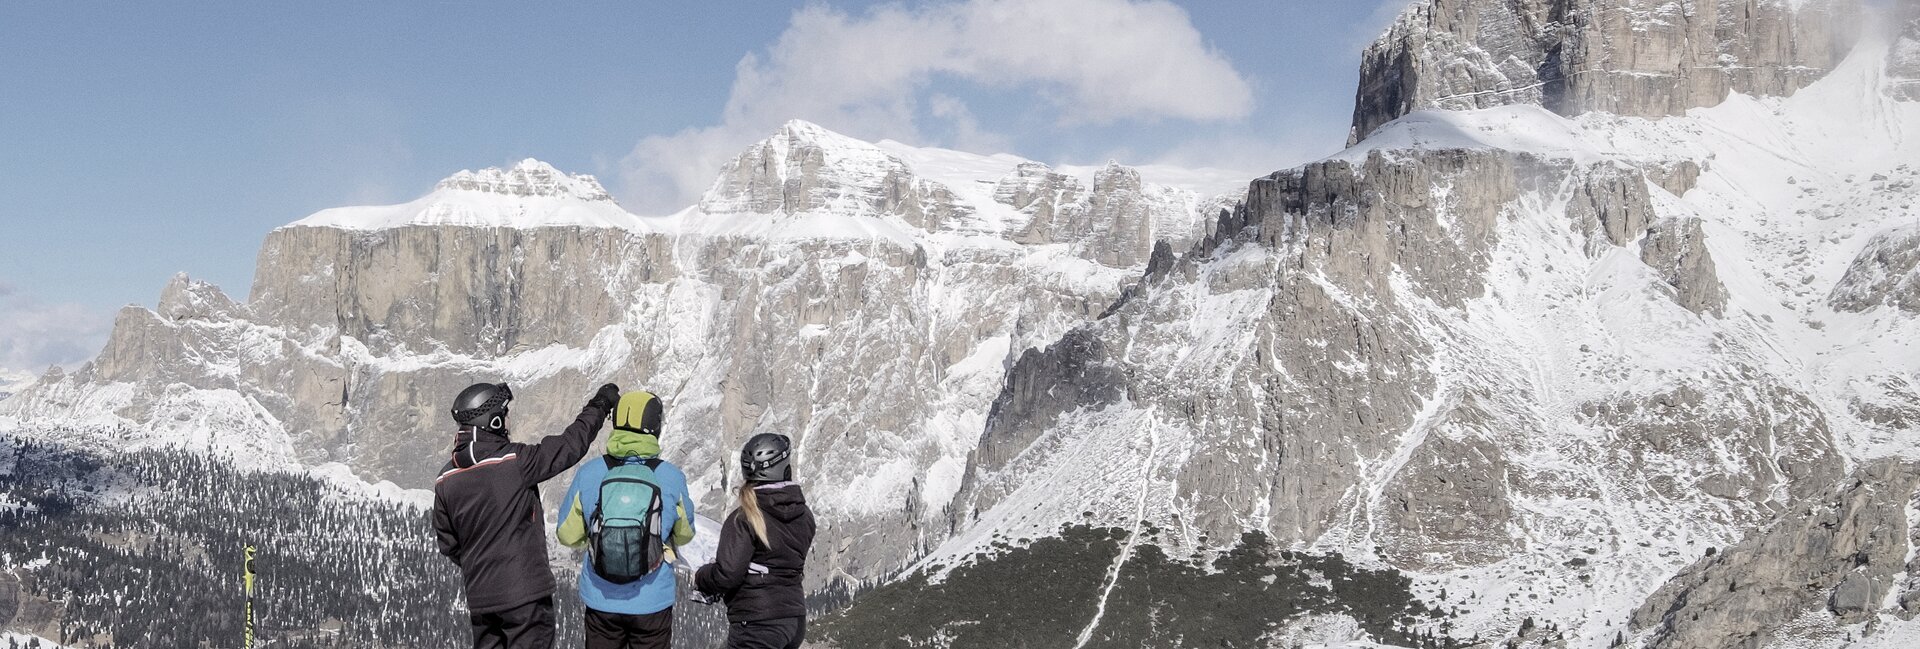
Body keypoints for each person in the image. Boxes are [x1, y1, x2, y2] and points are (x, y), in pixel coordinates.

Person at [433, 381, 621, 649]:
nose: (508, 420)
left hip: (481, 601)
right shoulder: (514, 461)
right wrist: (600, 404)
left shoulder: (445, 479)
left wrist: (482, 563)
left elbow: (449, 545)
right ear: (494, 421)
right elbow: (570, 445)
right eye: (504, 414)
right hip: (525, 595)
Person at [556, 390, 697, 649]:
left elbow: (567, 534)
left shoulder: (589, 473)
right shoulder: (671, 476)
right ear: (655, 427)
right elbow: (686, 533)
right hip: (652, 599)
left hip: (601, 597)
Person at [695, 433, 816, 649]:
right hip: (794, 620)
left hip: (757, 624)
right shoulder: (804, 515)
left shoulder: (744, 518)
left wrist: (702, 576)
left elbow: (727, 575)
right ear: (785, 468)